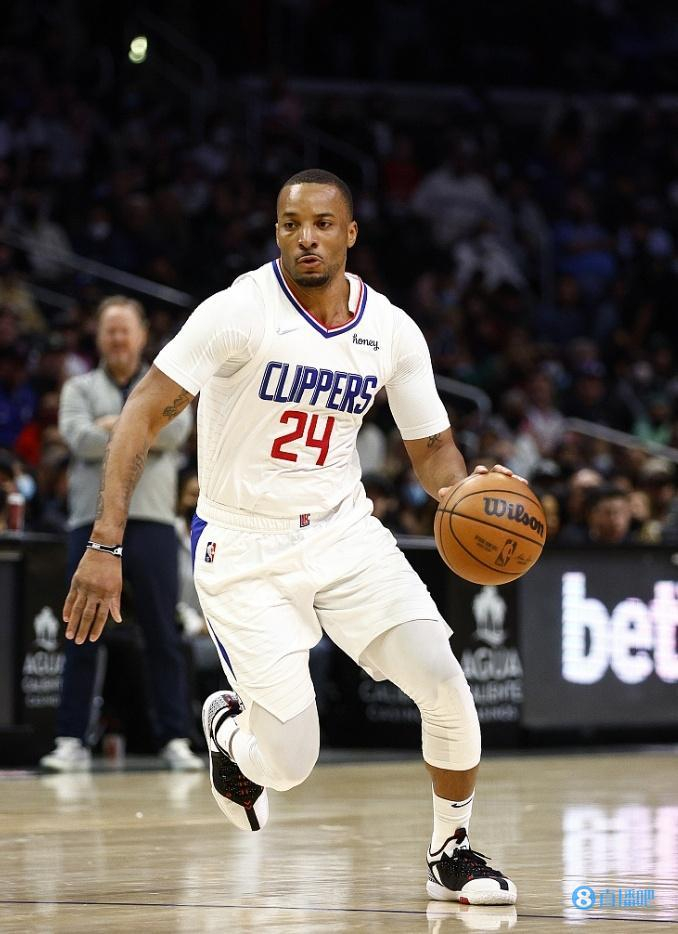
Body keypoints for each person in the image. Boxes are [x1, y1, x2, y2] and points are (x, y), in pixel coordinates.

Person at [62, 170, 518, 905]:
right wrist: (104, 542)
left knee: (445, 684)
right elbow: (143, 410)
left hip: (343, 534)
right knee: (291, 763)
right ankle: (228, 731)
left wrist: (461, 493)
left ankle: (451, 851)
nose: (305, 237)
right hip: (243, 547)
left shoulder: (390, 329)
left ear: (350, 233)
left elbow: (433, 447)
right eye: (289, 224)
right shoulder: (239, 312)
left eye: (322, 223)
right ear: (276, 232)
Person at [42, 296, 202, 772]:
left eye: (124, 330)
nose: (117, 338)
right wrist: (140, 428)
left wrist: (114, 428)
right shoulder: (78, 387)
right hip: (89, 523)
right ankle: (71, 739)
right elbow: (77, 437)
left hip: (152, 521)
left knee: (162, 632)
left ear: (141, 335)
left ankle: (175, 737)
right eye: (109, 330)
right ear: (98, 337)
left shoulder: (168, 380)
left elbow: (175, 432)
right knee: (81, 629)